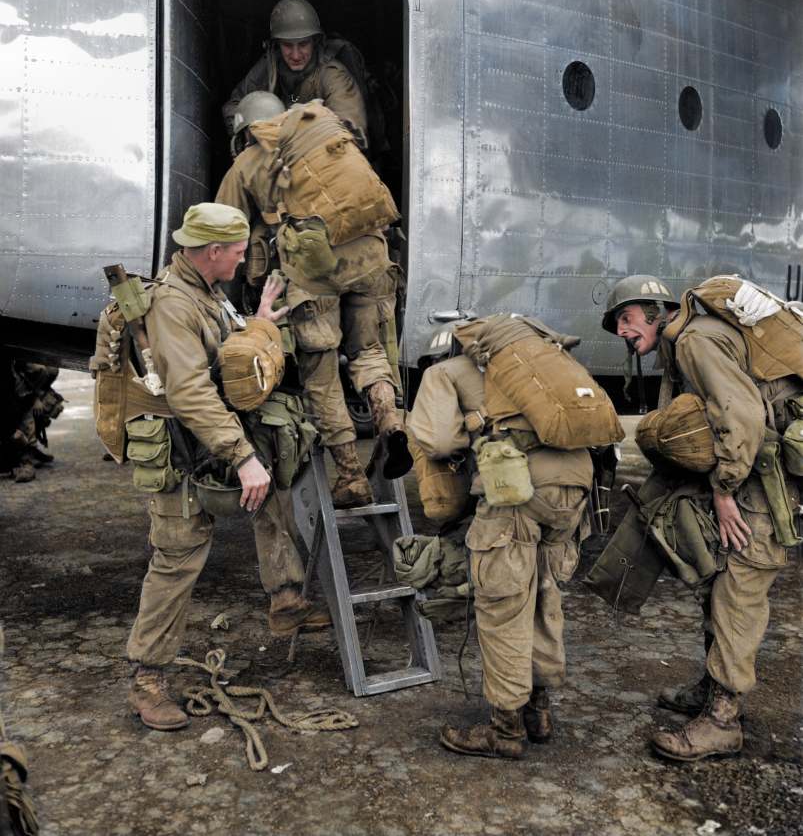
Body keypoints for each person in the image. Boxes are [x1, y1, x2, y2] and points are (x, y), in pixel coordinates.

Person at [124, 203, 329, 732]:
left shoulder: (205, 292)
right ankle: (147, 680)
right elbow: (190, 392)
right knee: (178, 559)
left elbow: (225, 353)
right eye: (238, 253)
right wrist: (241, 457)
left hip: (211, 441)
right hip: (182, 453)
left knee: (273, 488)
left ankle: (285, 599)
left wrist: (259, 321)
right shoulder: (172, 304)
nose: (243, 262)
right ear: (212, 252)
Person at [601, 273, 803, 761]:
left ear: (654, 311)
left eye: (627, 319)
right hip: (751, 464)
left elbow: (743, 417)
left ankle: (722, 720)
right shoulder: (680, 342)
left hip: (761, 471)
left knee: (740, 585)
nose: (624, 332)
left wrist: (724, 488)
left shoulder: (695, 339)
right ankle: (712, 688)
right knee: (717, 576)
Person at [408, 316, 610, 760]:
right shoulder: (534, 369)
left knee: (502, 604)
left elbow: (438, 443)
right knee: (543, 594)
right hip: (574, 486)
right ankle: (539, 711)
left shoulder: (442, 373)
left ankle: (505, 728)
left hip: (516, 488)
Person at [216, 92, 410, 509]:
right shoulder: (321, 137)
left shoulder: (247, 163)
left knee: (321, 372)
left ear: (248, 128)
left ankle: (350, 476)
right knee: (369, 350)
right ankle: (390, 420)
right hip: (371, 256)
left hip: (316, 272)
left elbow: (221, 226)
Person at [222, 0, 367, 147]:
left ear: (314, 42)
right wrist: (252, 130)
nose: (296, 55)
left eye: (303, 44)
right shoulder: (271, 65)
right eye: (287, 45)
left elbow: (349, 133)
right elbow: (234, 106)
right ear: (277, 44)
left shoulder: (333, 75)